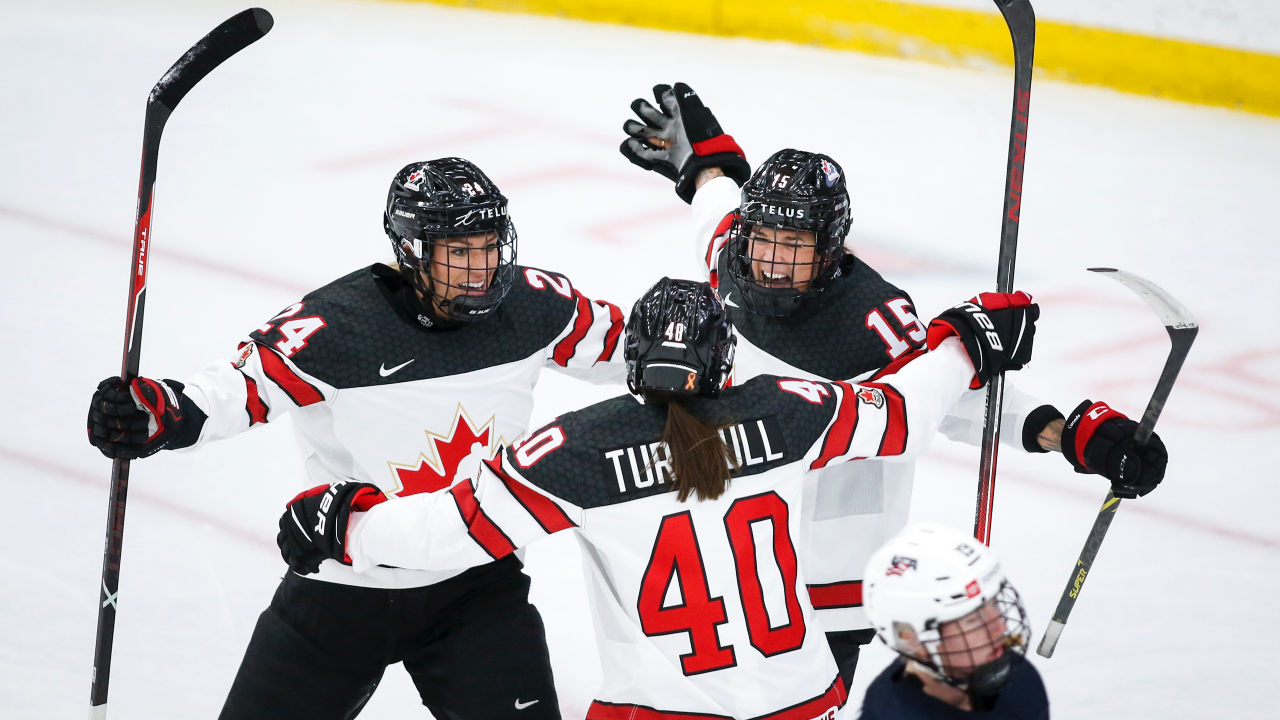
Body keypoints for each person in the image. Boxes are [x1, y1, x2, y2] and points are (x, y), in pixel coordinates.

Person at [277, 277, 1039, 719]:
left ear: (634, 361)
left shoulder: (575, 452)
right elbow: (902, 412)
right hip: (803, 704)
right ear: (724, 360)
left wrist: (346, 523)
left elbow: (446, 535)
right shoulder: (788, 409)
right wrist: (966, 340)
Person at [619, 82, 1170, 689]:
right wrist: (707, 164)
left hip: (825, 581)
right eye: (765, 239)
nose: (772, 261)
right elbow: (716, 206)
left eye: (794, 244)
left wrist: (1075, 436)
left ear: (830, 246)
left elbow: (953, 398)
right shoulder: (734, 253)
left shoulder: (874, 322)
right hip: (731, 563)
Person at [85, 158, 628, 720]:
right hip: (343, 590)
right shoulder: (339, 327)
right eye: (459, 252)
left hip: (478, 587)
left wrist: (688, 342)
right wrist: (159, 411)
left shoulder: (536, 305)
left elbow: (631, 348)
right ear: (413, 250)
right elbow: (238, 389)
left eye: (488, 246)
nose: (480, 270)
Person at [860, 522, 1050, 717]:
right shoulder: (890, 712)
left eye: (995, 604)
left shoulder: (1021, 684)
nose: (1000, 628)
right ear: (911, 638)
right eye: (974, 621)